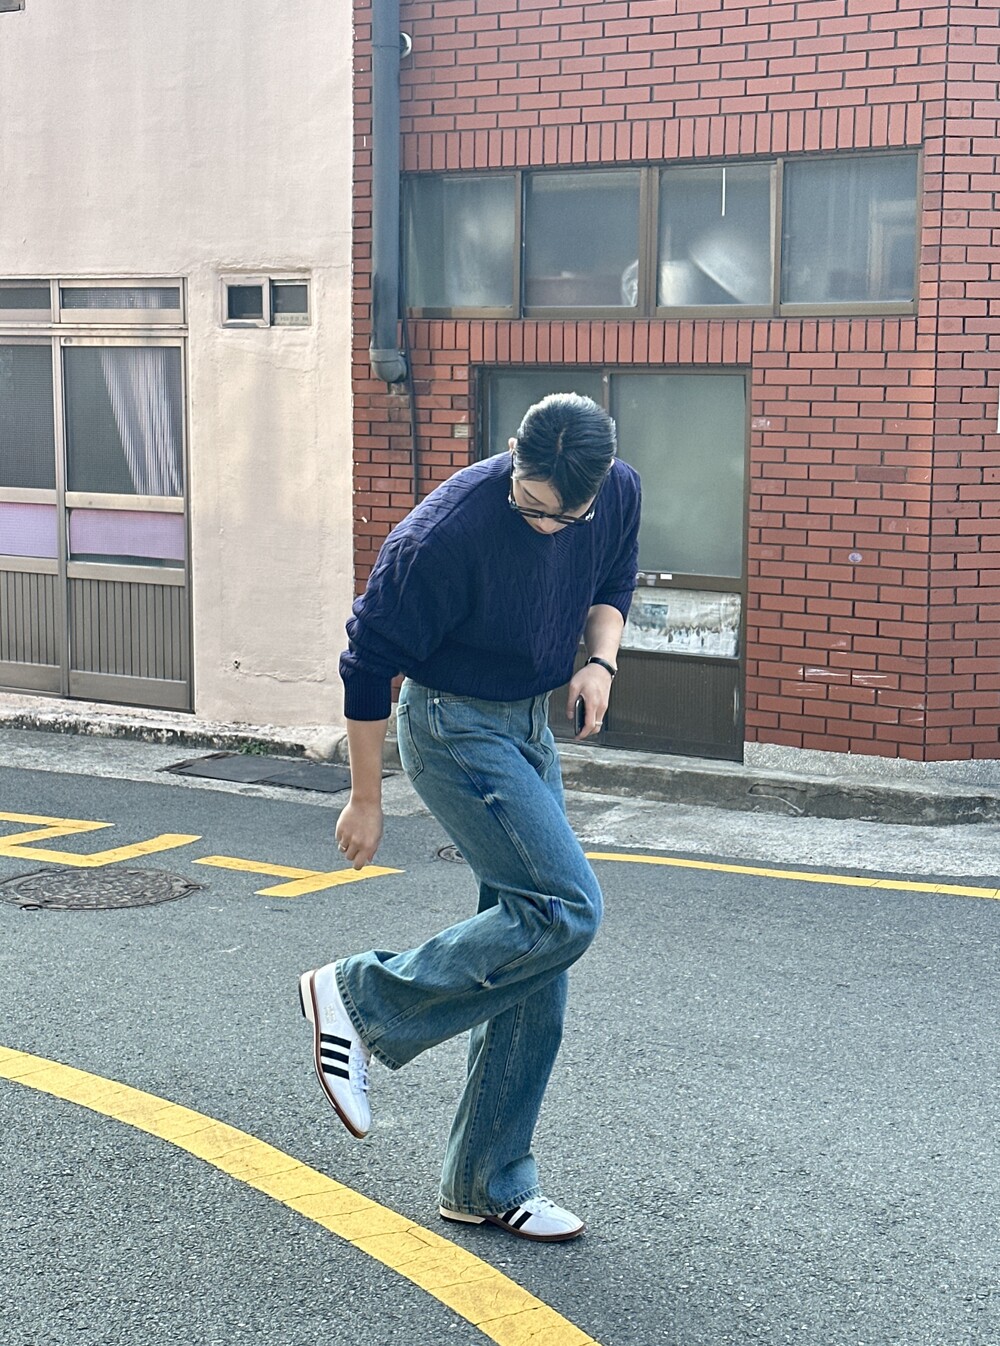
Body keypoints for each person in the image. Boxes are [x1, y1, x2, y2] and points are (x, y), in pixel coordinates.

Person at [299, 392, 641, 1243]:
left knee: (539, 952)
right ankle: (360, 996)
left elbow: (611, 580)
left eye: (565, 517)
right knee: (566, 910)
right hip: (451, 727)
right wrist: (367, 797)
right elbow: (366, 665)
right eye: (531, 507)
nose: (547, 526)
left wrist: (599, 662)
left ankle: (485, 1183)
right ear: (513, 456)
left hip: (528, 724)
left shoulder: (614, 491)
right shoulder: (440, 536)